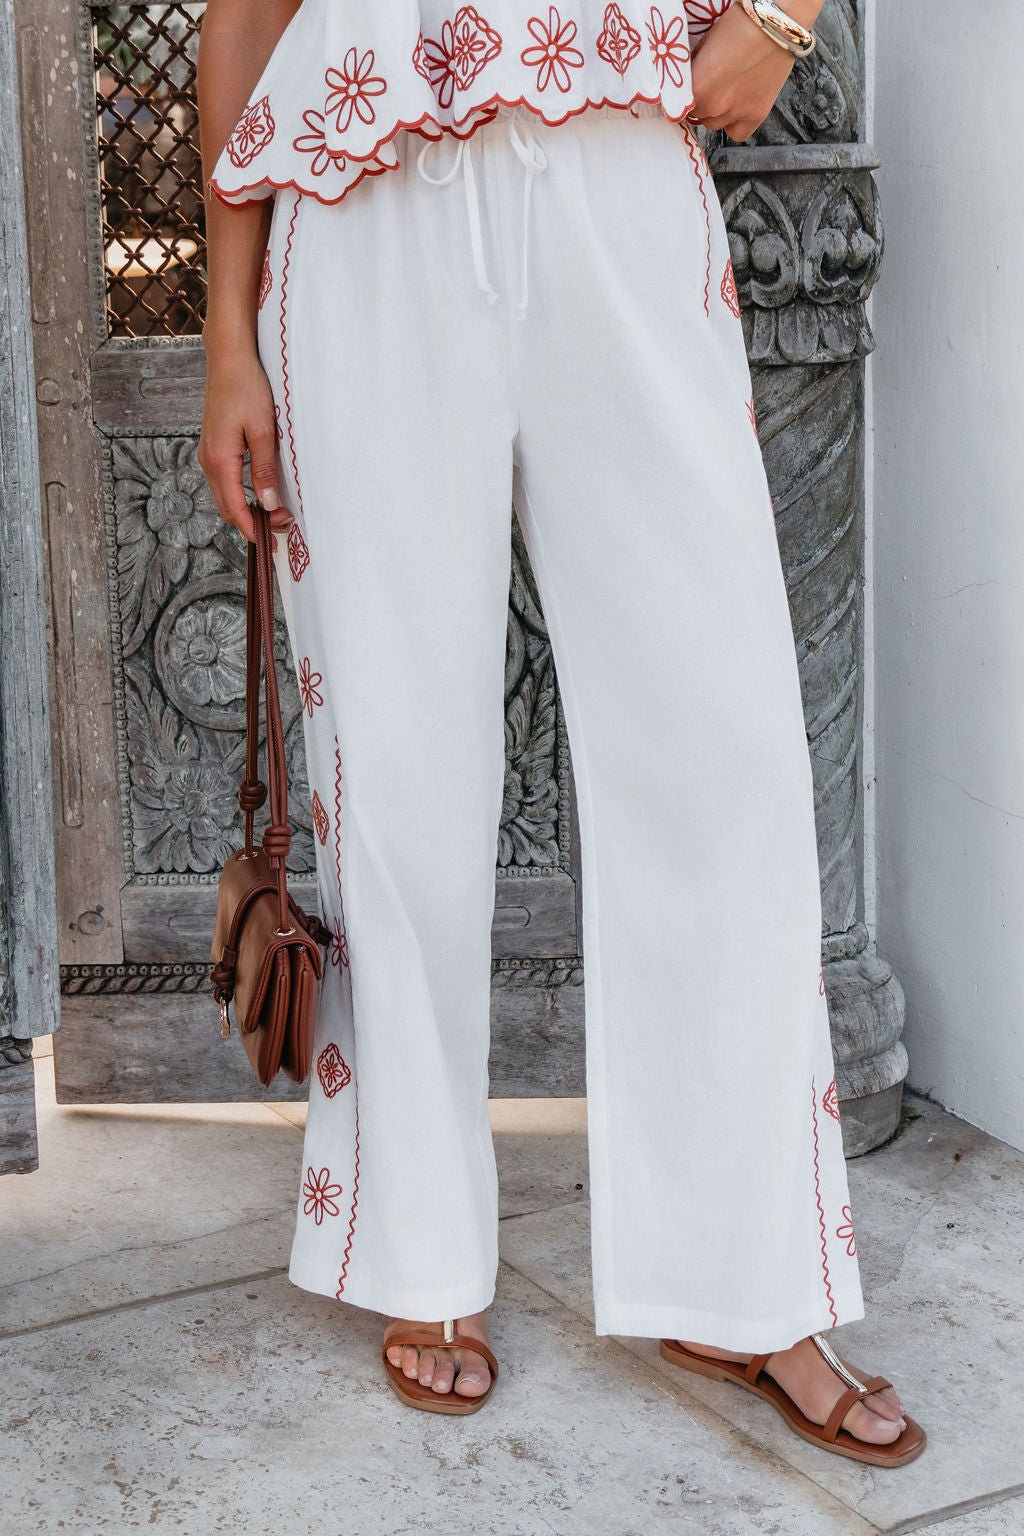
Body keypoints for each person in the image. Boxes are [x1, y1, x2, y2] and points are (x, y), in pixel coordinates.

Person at [197, 0, 925, 1462]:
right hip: (361, 198)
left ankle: (749, 1276)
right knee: (395, 769)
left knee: (721, 751)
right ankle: (420, 1253)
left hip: (618, 169)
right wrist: (226, 330)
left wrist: (780, 17)